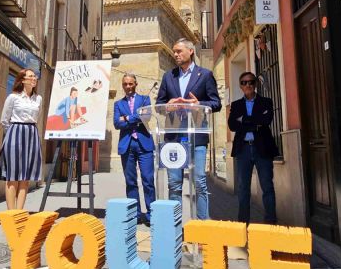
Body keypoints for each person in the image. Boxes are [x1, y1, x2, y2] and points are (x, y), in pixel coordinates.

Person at [157, 38, 221, 220]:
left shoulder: (205, 75)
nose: (175, 54)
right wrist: (167, 105)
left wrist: (198, 104)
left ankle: (203, 227)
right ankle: (175, 227)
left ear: (191, 51)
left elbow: (216, 103)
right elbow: (159, 104)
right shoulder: (168, 76)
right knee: (174, 184)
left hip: (197, 137)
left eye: (178, 51)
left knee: (200, 182)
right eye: (174, 51)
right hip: (174, 138)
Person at [228, 71, 278, 225]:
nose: (248, 85)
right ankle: (243, 224)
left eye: (250, 82)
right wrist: (254, 123)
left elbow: (266, 120)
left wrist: (244, 120)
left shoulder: (266, 102)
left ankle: (270, 223)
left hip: (262, 148)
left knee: (267, 187)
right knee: (243, 189)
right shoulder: (236, 105)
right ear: (240, 86)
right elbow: (232, 125)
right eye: (244, 82)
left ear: (255, 84)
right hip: (243, 150)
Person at [0, 69, 43, 209]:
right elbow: (4, 120)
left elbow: (37, 118)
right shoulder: (13, 97)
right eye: (31, 76)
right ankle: (11, 213)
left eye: (35, 76)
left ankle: (20, 212)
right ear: (22, 80)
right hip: (15, 133)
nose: (34, 78)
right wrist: (12, 135)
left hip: (32, 134)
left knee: (25, 177)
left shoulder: (38, 98)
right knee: (13, 176)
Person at [113, 73, 156, 226]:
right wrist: (134, 118)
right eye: (125, 84)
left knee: (148, 180)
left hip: (144, 144)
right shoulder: (118, 104)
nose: (128, 87)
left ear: (136, 84)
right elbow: (116, 124)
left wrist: (126, 118)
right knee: (131, 182)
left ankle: (151, 214)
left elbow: (146, 117)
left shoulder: (144, 99)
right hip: (127, 145)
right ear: (122, 85)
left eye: (131, 84)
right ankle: (136, 214)